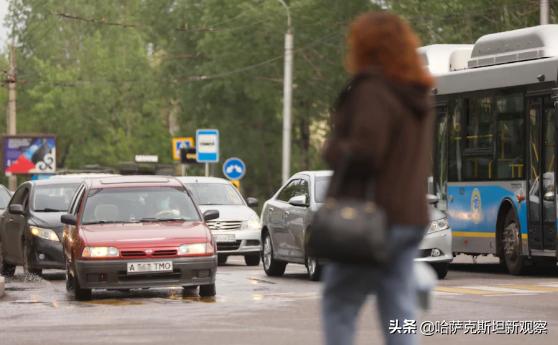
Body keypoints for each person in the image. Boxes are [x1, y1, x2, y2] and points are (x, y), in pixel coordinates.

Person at [321, 11, 435, 345]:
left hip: (372, 218)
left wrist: (332, 149)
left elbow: (366, 151)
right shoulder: (417, 94)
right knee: (398, 306)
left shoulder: (372, 89)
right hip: (410, 216)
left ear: (365, 46)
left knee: (339, 301)